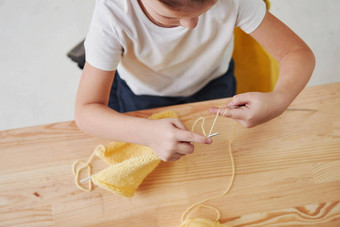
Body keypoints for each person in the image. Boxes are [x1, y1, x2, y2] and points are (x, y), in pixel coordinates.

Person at [74, 0, 315, 161]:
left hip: (214, 82)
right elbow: (86, 111)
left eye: (206, 9)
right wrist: (146, 133)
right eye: (169, 17)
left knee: (213, 154)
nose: (191, 25)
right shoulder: (113, 15)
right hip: (144, 94)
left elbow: (297, 54)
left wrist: (280, 98)